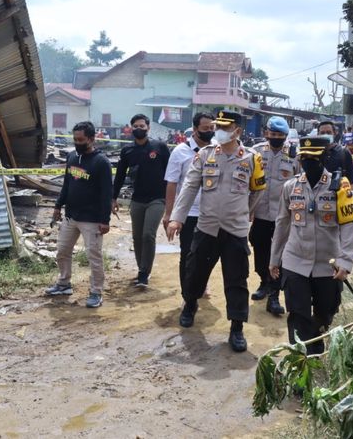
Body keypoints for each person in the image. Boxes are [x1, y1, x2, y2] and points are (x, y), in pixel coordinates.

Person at [167, 110, 267, 353]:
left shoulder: (252, 159)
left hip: (235, 230)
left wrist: (244, 211)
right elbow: (189, 187)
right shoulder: (205, 155)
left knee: (236, 280)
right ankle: (190, 305)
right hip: (207, 226)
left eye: (225, 127)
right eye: (217, 126)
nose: (219, 131)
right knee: (195, 272)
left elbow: (258, 191)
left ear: (238, 131)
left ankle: (236, 328)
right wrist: (176, 218)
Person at [269, 136, 353, 355]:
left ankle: (316, 351)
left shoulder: (340, 187)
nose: (308, 162)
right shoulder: (290, 187)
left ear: (325, 158)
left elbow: (349, 225)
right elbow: (282, 223)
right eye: (304, 158)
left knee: (325, 313)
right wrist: (274, 258)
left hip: (327, 265)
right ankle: (300, 359)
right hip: (295, 261)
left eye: (314, 158)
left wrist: (345, 261)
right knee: (297, 313)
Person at [45, 121, 112, 308]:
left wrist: (105, 220)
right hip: (71, 216)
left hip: (92, 220)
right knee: (62, 251)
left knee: (94, 256)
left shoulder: (102, 162)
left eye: (81, 140)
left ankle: (96, 292)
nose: (77, 143)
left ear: (91, 139)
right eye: (74, 139)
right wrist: (58, 206)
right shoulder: (72, 157)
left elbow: (106, 194)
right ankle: (64, 283)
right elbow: (67, 184)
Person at [113, 114, 171, 287]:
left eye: (142, 126)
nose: (139, 129)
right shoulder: (127, 151)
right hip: (137, 199)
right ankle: (142, 269)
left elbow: (171, 175)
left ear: (148, 128)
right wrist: (113, 198)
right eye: (135, 126)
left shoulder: (159, 147)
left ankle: (145, 272)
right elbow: (120, 176)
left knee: (148, 235)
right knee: (137, 237)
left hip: (157, 199)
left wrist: (171, 202)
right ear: (131, 128)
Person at [163, 112, 215, 301]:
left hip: (210, 213)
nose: (209, 132)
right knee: (188, 253)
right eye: (205, 129)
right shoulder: (180, 151)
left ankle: (201, 284)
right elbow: (171, 183)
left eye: (212, 128)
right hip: (188, 212)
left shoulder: (217, 150)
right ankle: (188, 293)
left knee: (207, 253)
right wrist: (169, 214)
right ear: (194, 130)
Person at [249, 116, 299, 316]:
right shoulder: (257, 152)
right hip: (261, 212)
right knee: (259, 247)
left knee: (279, 252)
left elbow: (300, 182)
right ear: (266, 133)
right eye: (273, 134)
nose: (276, 138)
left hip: (283, 215)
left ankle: (275, 294)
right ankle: (264, 282)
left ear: (286, 136)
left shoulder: (295, 155)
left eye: (280, 135)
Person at [318, 121, 353, 192]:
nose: (325, 135)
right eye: (322, 133)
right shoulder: (314, 153)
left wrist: (351, 197)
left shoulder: (344, 152)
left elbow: (352, 179)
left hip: (338, 197)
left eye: (329, 132)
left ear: (334, 133)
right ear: (318, 134)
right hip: (317, 197)